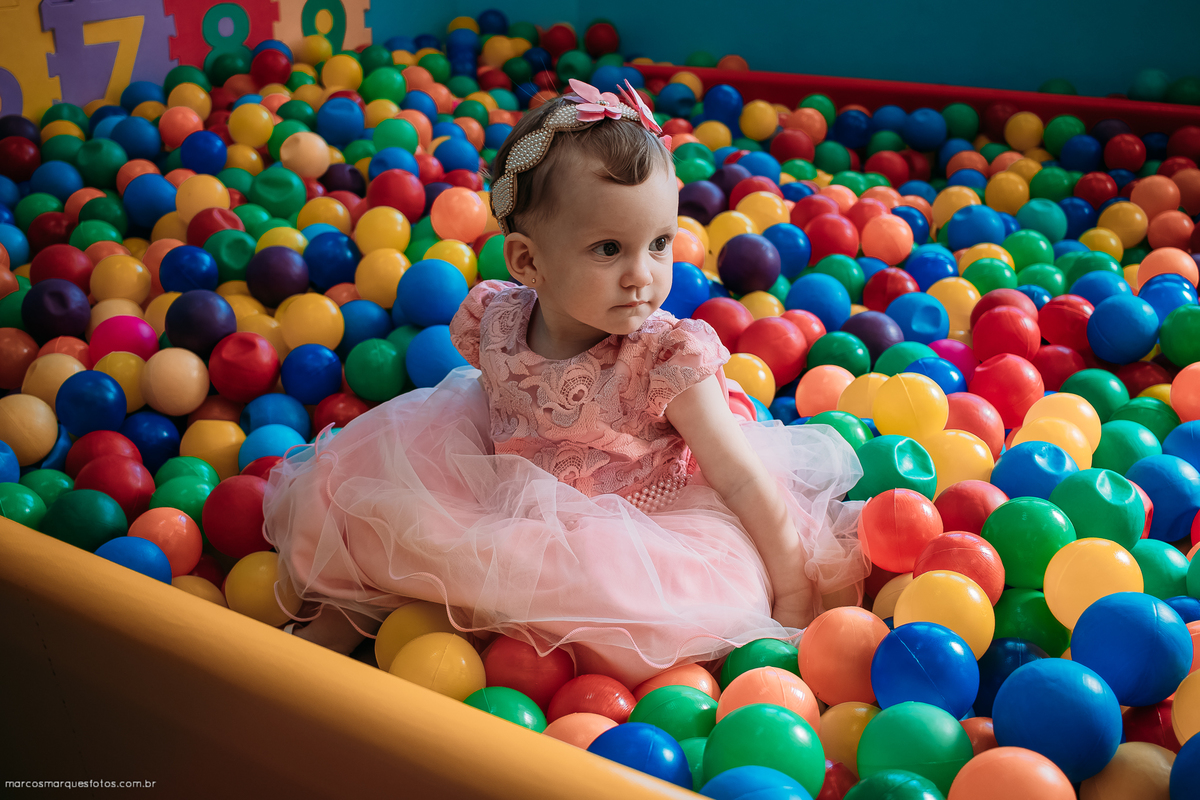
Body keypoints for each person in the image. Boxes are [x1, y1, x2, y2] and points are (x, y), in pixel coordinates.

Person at [263, 79, 867, 687]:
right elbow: (503, 410)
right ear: (527, 261)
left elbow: (739, 476)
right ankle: (350, 614)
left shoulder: (667, 357)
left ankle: (464, 626)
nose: (642, 275)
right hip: (510, 502)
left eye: (659, 243)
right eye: (608, 249)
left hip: (645, 529)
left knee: (637, 609)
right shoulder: (496, 321)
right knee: (368, 502)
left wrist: (792, 591)